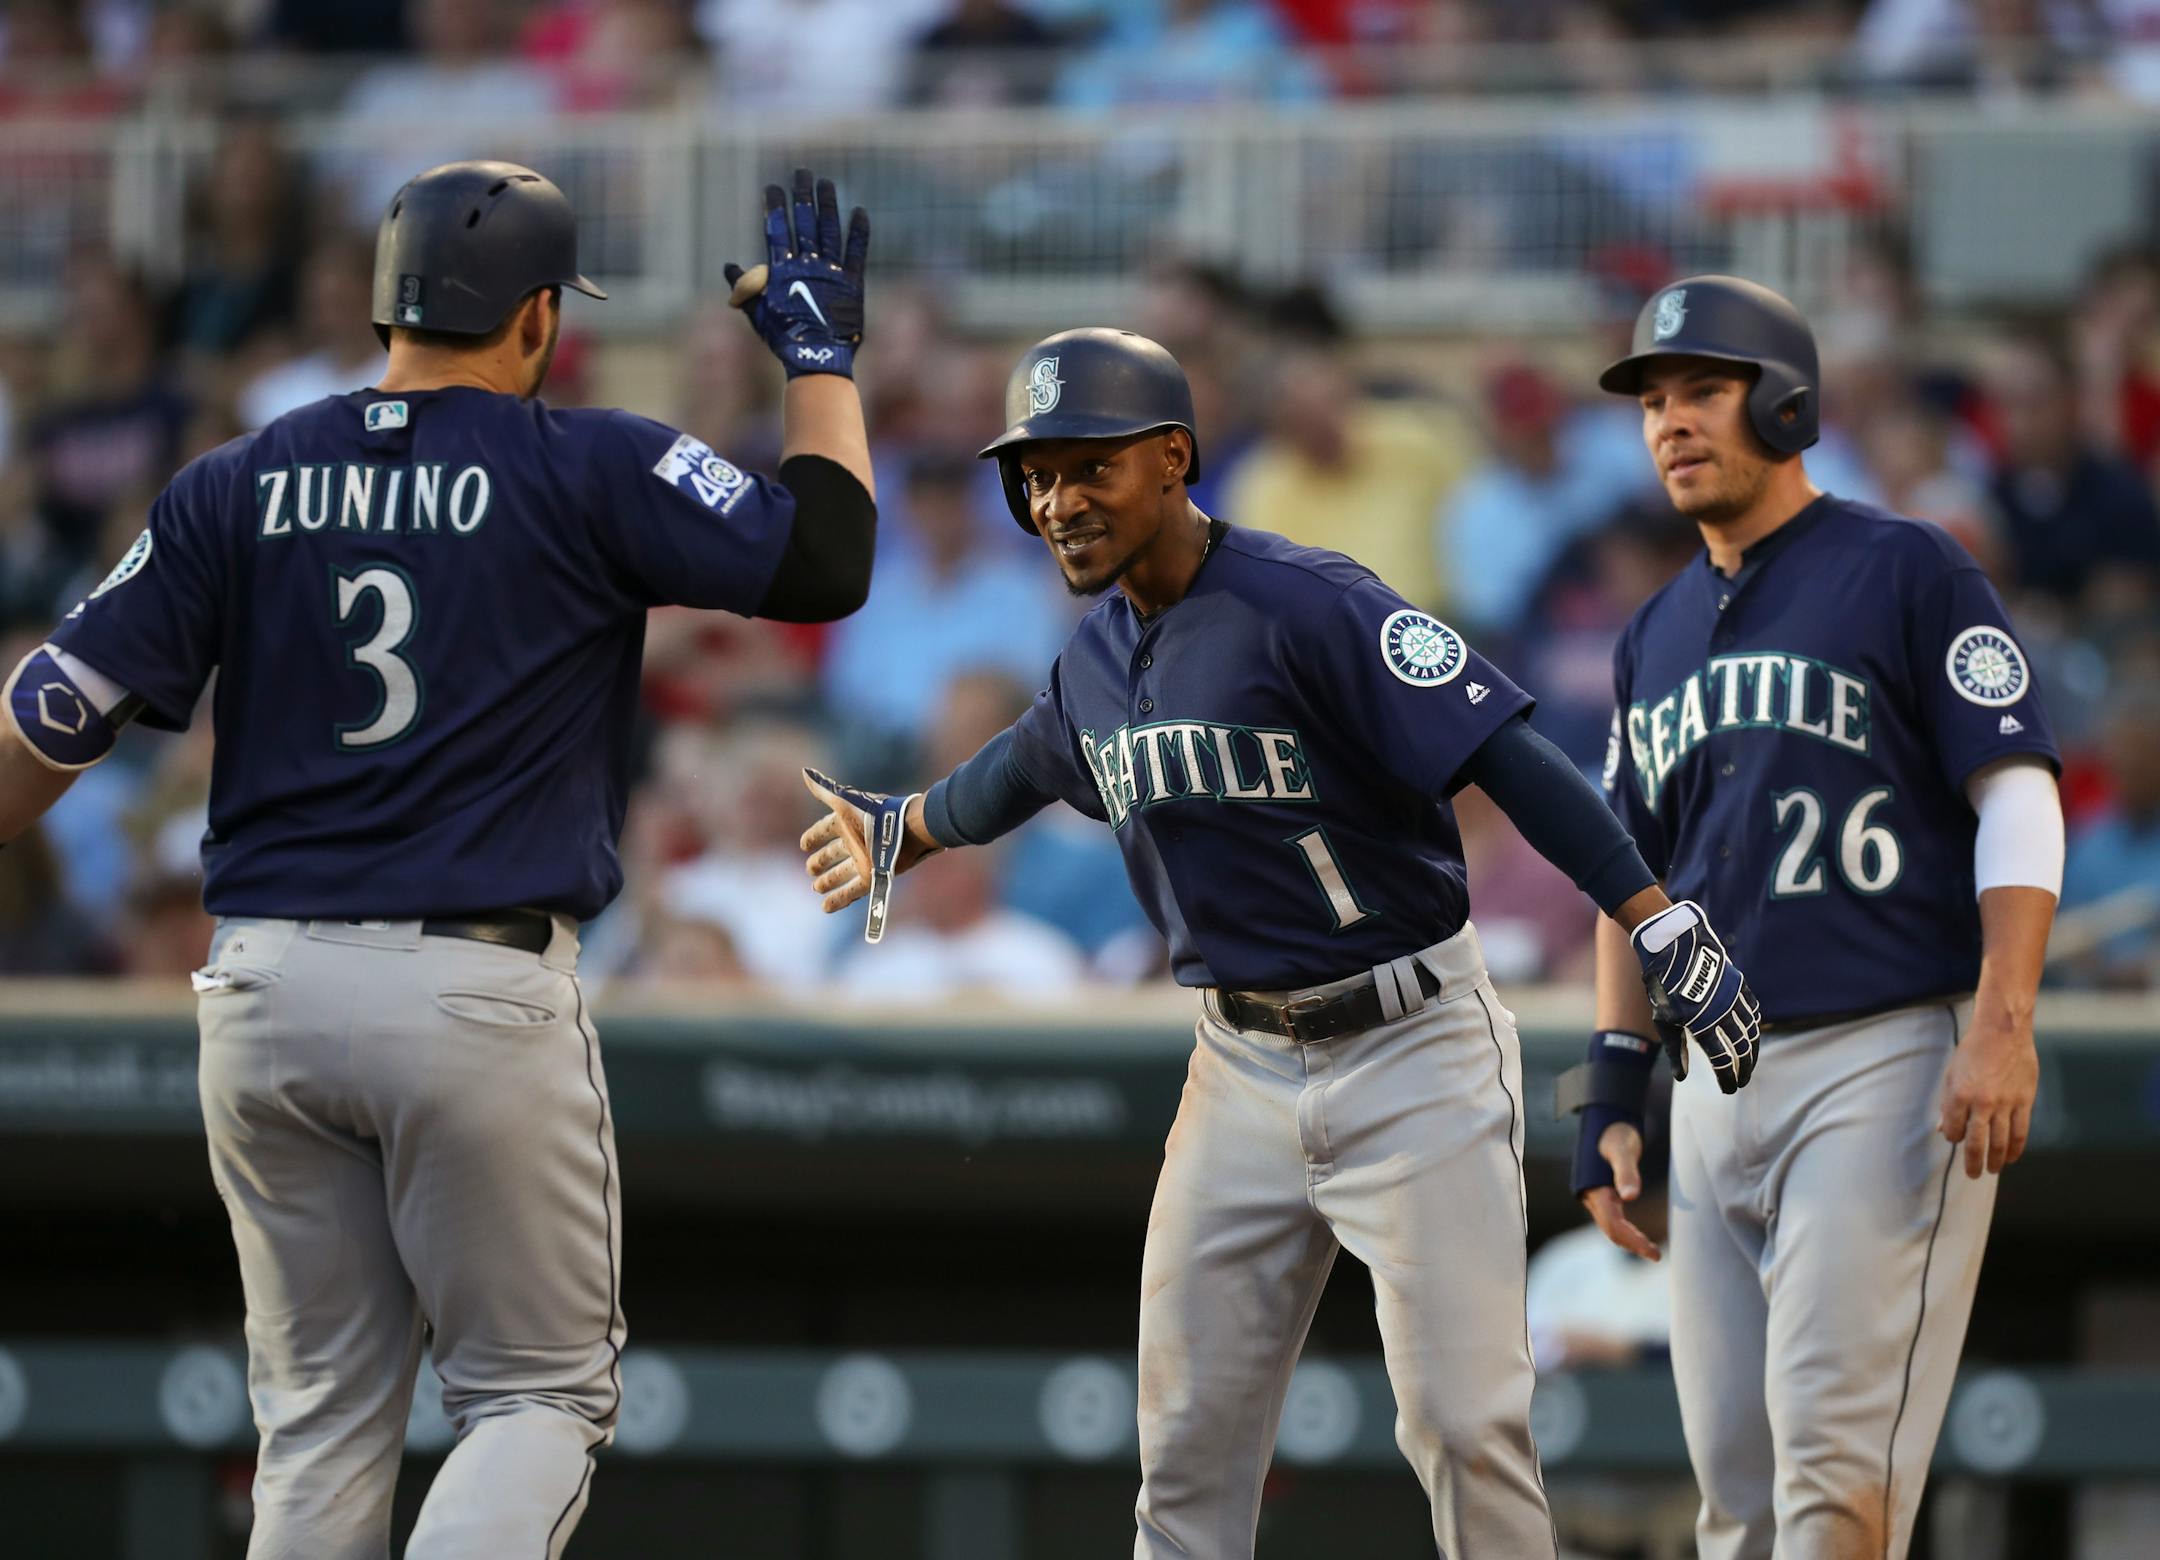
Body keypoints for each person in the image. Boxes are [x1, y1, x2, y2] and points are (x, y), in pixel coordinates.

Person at [0, 161, 877, 1558]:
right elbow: (825, 564)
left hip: (261, 989)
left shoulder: (241, 475)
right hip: (471, 988)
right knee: (537, 1398)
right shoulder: (588, 461)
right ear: (537, 315)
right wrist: (821, 367)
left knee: (321, 1423)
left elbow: (48, 717)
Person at [797, 327, 1764, 1559]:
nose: (1057, 500)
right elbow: (1029, 761)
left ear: (1173, 458)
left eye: (1088, 465)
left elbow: (1507, 754)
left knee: (1468, 1428)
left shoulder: (1310, 603)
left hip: (1410, 1047)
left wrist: (1653, 910)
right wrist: (913, 827)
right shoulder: (1094, 659)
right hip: (1238, 1069)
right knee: (1188, 1446)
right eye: (1035, 476)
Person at [1573, 275, 2064, 1560]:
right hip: (1712, 1082)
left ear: (1786, 406)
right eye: (1654, 401)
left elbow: (2017, 795)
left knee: (1834, 1477)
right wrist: (1613, 1085)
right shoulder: (1653, 633)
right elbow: (1629, 875)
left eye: (1704, 391)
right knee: (1735, 1495)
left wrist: (2005, 1020)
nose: (1671, 421)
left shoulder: (1905, 567)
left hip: (1885, 1053)